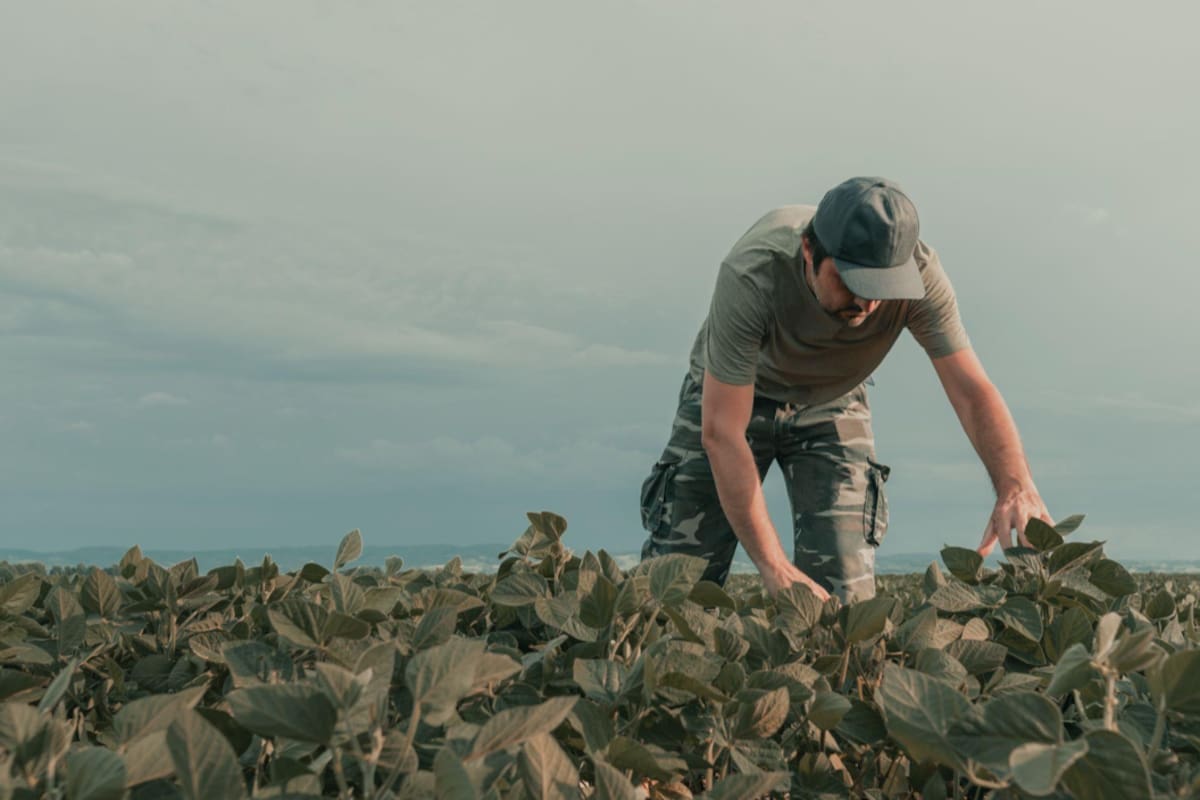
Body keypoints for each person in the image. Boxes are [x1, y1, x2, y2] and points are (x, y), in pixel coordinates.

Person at [638, 176, 1053, 603]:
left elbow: (971, 391)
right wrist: (774, 566)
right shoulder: (753, 273)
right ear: (808, 250)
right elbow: (722, 432)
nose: (868, 303)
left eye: (882, 288)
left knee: (845, 602)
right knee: (673, 587)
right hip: (733, 394)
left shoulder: (921, 278)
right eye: (851, 281)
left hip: (833, 399)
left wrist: (1015, 485)